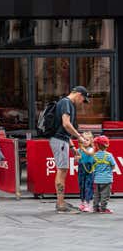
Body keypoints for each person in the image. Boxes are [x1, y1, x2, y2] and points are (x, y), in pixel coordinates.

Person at [51, 86, 89, 214]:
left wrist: (73, 148)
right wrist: (80, 137)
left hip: (62, 140)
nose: (82, 102)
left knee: (63, 169)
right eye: (83, 99)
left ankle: (60, 201)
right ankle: (60, 204)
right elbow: (66, 124)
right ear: (79, 94)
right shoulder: (67, 103)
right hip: (59, 140)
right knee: (62, 170)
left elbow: (65, 131)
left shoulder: (66, 103)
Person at [92, 135, 116, 214]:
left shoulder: (94, 156)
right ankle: (103, 209)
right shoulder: (109, 155)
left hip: (97, 179)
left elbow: (92, 166)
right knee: (105, 195)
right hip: (107, 179)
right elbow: (113, 165)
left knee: (96, 195)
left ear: (97, 145)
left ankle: (95, 208)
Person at [76, 133, 96, 212]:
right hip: (81, 168)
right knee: (81, 185)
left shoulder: (91, 149)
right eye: (83, 139)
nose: (85, 141)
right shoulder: (79, 150)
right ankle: (82, 202)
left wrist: (83, 150)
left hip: (89, 169)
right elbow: (77, 159)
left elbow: (89, 153)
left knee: (88, 185)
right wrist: (77, 158)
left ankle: (87, 203)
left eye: (87, 140)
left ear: (91, 141)